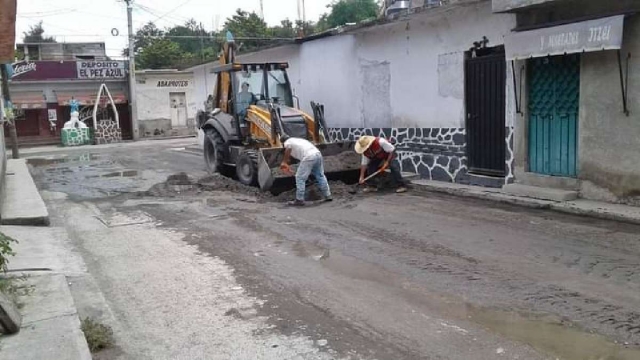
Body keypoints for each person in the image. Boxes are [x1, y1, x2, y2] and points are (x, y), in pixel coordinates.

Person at [280, 135, 332, 206]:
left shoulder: (287, 142)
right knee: (320, 175)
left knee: (299, 177)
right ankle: (328, 195)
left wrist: (284, 162)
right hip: (318, 154)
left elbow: (288, 148)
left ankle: (299, 200)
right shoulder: (299, 140)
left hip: (309, 156)